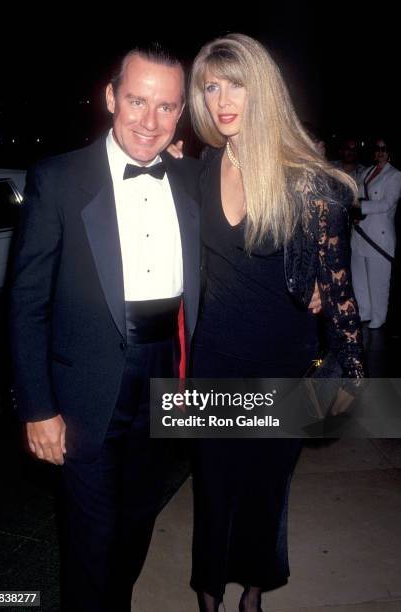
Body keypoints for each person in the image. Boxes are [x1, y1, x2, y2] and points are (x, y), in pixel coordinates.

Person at [9, 45, 201, 612]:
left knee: (138, 523)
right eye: (138, 100)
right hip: (86, 389)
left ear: (181, 111)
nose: (150, 120)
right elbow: (27, 302)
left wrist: (311, 275)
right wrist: (36, 408)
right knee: (90, 540)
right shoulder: (59, 178)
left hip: (166, 379)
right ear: (111, 97)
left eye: (166, 107)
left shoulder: (192, 180)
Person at [186, 33, 365, 612]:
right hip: (213, 360)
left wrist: (350, 375)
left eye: (235, 83)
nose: (221, 99)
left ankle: (253, 595)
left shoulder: (307, 181)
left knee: (265, 490)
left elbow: (340, 297)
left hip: (280, 365)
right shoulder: (204, 167)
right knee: (212, 489)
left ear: (262, 89)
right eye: (210, 86)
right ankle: (209, 597)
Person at [351, 136, 401, 329]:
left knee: (378, 280)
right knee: (360, 278)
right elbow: (357, 193)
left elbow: (387, 203)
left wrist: (360, 207)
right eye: (377, 148)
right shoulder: (366, 171)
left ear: (390, 152)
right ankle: (365, 311)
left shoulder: (395, 175)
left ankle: (379, 316)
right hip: (360, 234)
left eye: (384, 148)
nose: (379, 152)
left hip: (378, 238)